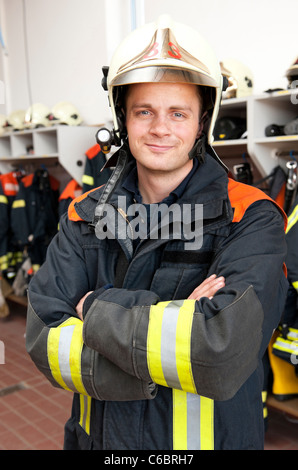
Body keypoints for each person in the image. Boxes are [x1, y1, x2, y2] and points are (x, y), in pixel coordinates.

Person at [26, 15, 288, 450]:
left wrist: (93, 306)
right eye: (144, 111)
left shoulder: (251, 217)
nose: (160, 129)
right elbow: (43, 341)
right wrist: (178, 326)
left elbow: (221, 353)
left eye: (178, 113)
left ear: (202, 121)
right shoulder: (84, 215)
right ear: (123, 120)